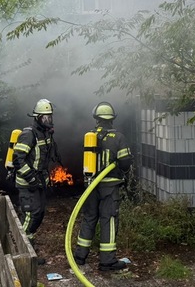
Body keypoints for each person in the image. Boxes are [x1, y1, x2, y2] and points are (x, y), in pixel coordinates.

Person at [74, 101, 133, 271]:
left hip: (90, 187)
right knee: (109, 220)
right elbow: (125, 163)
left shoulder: (89, 136)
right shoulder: (119, 137)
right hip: (109, 187)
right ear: (112, 120)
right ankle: (107, 260)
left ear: (97, 119)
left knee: (89, 218)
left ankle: (79, 256)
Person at [13, 98, 56, 263]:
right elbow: (18, 159)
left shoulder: (44, 134)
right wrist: (31, 177)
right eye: (45, 118)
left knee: (38, 215)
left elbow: (43, 160)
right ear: (37, 117)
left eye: (50, 117)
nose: (48, 120)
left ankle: (29, 252)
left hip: (38, 184)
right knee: (31, 216)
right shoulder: (28, 134)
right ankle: (21, 253)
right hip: (27, 184)